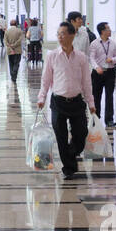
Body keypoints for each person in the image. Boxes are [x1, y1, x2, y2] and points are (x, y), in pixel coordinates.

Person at [37, 20, 97, 180]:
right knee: (61, 136)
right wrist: (41, 97)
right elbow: (46, 79)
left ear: (72, 35)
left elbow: (86, 82)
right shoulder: (52, 56)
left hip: (77, 102)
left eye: (63, 34)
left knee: (81, 133)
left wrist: (91, 103)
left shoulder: (81, 58)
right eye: (58, 34)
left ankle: (71, 153)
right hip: (58, 102)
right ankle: (68, 169)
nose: (60, 37)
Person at [88, 22, 116, 128]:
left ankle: (109, 119)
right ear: (102, 31)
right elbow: (91, 58)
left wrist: (113, 60)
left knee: (109, 96)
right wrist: (96, 67)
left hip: (110, 72)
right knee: (96, 96)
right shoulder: (94, 43)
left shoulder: (113, 43)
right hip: (98, 73)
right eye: (108, 28)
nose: (110, 30)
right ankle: (95, 119)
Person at [3, 17, 25, 83]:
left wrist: (10, 46)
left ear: (10, 24)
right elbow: (20, 40)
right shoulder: (19, 31)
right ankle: (14, 76)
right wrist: (14, 45)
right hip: (17, 50)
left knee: (11, 63)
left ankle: (12, 76)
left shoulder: (7, 31)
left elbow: (5, 41)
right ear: (16, 24)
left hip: (10, 50)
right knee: (16, 63)